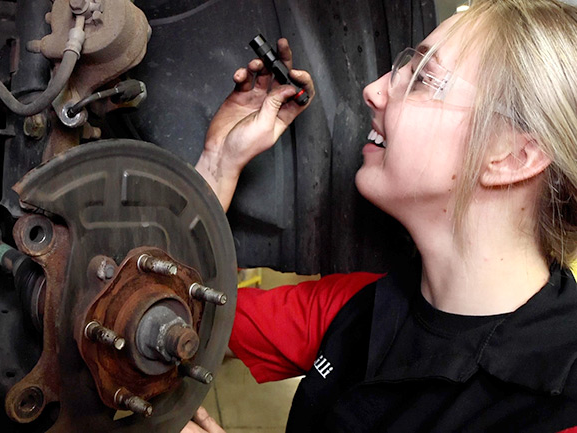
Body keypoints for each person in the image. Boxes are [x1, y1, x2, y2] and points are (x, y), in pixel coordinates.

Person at [185, 0, 577, 431]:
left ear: (512, 156)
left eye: (425, 79)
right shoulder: (356, 306)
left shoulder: (561, 412)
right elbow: (182, 306)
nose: (373, 89)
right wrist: (218, 164)